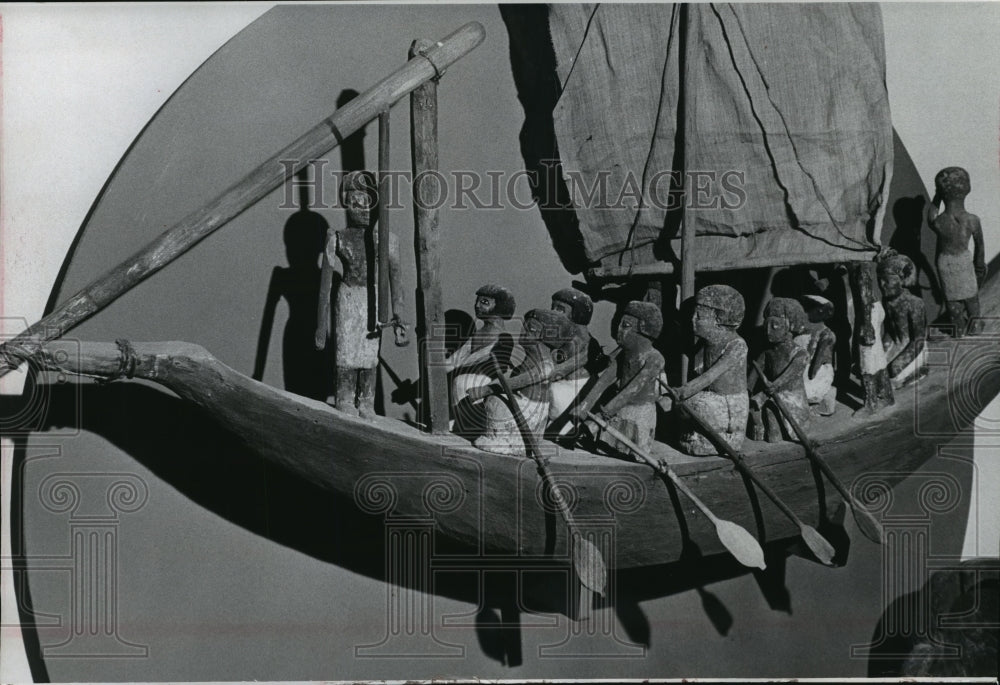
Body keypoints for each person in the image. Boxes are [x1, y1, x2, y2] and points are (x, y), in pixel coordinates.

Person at [315, 170, 406, 417]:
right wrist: (321, 328)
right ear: (346, 204)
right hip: (347, 298)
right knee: (345, 350)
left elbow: (396, 281)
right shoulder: (337, 237)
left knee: (369, 353)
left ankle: (366, 401)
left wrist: (399, 317)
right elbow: (325, 287)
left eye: (368, 202)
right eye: (355, 202)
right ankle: (344, 397)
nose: (362, 209)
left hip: (372, 298)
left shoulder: (387, 240)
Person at [473, 309, 573, 455]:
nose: (522, 331)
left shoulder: (545, 366)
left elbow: (513, 384)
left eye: (529, 328)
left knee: (494, 400)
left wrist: (485, 390)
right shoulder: (533, 362)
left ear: (540, 335)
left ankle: (505, 442)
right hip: (526, 407)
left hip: (529, 412)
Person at [668, 285, 750, 456]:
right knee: (683, 406)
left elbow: (710, 376)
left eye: (699, 316)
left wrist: (686, 390)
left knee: (694, 405)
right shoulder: (705, 345)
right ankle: (697, 437)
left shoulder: (736, 345)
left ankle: (722, 438)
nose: (693, 319)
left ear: (719, 318)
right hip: (710, 396)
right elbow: (699, 372)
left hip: (729, 403)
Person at [573, 301, 664, 454]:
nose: (618, 329)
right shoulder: (622, 356)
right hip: (615, 410)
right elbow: (604, 381)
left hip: (638, 412)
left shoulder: (654, 358)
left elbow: (631, 390)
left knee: (631, 451)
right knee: (606, 447)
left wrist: (603, 414)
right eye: (620, 324)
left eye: (625, 325)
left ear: (644, 329)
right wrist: (585, 405)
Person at [445, 284, 519, 436]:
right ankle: (458, 427)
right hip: (465, 384)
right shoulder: (478, 334)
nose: (476, 305)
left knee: (461, 383)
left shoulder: (504, 338)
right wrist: (439, 367)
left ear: (500, 307)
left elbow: (478, 358)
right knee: (459, 382)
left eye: (484, 302)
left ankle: (469, 429)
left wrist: (450, 366)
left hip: (486, 386)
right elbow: (456, 360)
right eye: (477, 301)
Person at [927, 166, 985, 336]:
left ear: (941, 192)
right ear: (967, 188)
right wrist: (979, 266)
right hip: (963, 261)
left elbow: (930, 217)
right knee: (971, 298)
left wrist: (937, 197)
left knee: (952, 300)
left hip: (944, 262)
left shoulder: (938, 222)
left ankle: (958, 328)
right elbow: (980, 247)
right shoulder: (972, 220)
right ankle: (974, 326)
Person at [748, 297, 811, 442]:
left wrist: (775, 385)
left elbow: (791, 374)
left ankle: (773, 434)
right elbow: (753, 377)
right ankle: (763, 432)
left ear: (789, 326)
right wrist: (747, 390)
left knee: (771, 411)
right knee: (757, 409)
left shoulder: (799, 353)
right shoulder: (767, 353)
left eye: (775, 326)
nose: (768, 331)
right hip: (772, 394)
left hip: (791, 397)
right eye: (766, 326)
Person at [877, 252, 927, 388]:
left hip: (913, 348)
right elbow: (889, 331)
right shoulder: (887, 301)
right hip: (896, 345)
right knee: (875, 369)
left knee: (891, 372)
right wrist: (882, 348)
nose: (882, 285)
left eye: (886, 281)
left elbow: (919, 340)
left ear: (901, 279)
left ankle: (918, 369)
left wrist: (899, 362)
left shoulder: (914, 303)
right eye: (879, 280)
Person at [853, 263, 894, 414]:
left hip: (868, 312)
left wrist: (867, 324)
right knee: (877, 356)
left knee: (867, 359)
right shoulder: (862, 265)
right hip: (873, 309)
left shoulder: (859, 267)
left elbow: (865, 295)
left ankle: (871, 403)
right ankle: (887, 396)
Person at [797, 295, 838, 416]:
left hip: (816, 369)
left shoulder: (826, 334)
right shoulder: (804, 329)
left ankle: (825, 394)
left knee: (806, 391)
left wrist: (811, 373)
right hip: (804, 364)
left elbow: (818, 360)